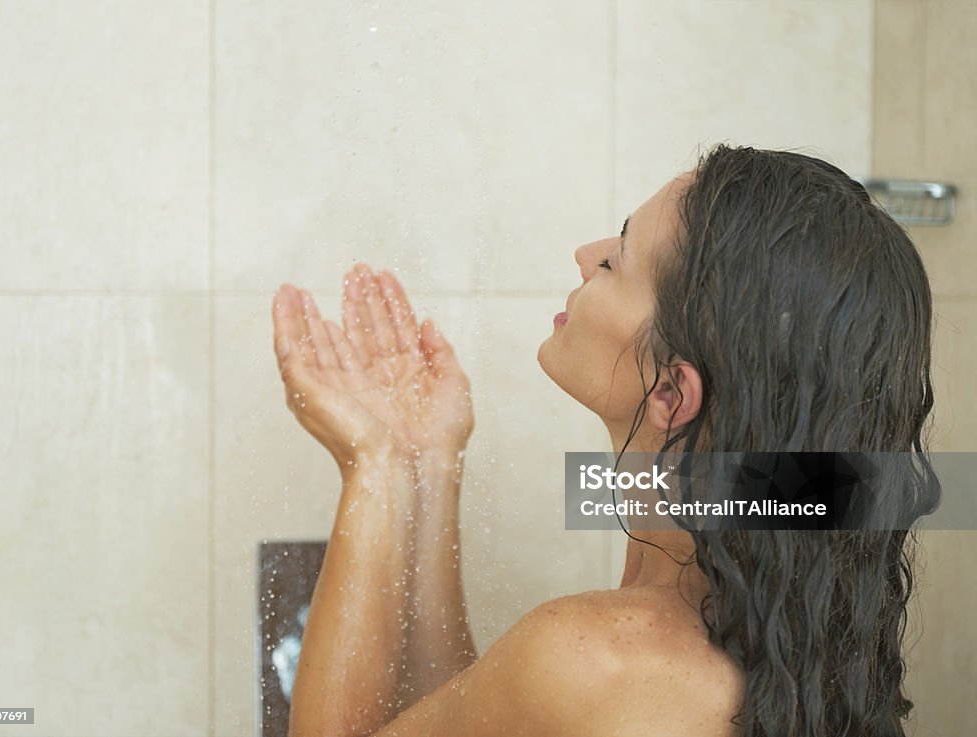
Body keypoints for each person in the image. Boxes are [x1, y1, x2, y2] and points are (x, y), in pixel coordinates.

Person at [270, 143, 936, 737]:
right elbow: (480, 717)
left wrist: (375, 467)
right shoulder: (779, 647)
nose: (586, 256)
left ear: (671, 393)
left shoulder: (597, 657)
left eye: (617, 257)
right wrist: (429, 457)